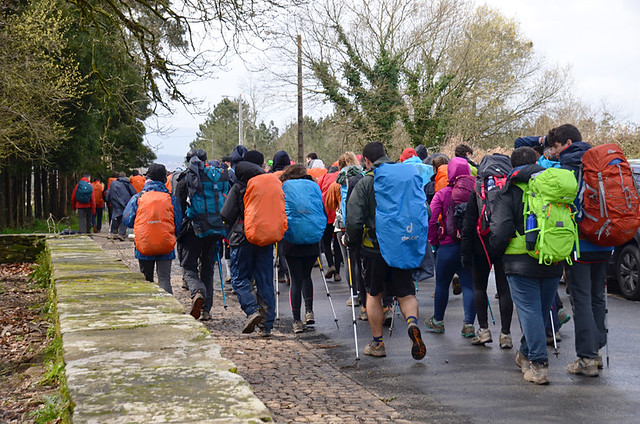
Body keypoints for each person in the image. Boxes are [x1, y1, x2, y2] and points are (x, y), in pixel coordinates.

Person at [345, 141, 426, 360]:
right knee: (406, 293)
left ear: (367, 161)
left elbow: (353, 219)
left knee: (374, 294)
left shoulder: (366, 182)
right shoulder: (405, 176)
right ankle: (412, 325)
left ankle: (377, 343)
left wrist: (351, 241)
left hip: (374, 249)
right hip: (401, 244)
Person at [489, 146, 563, 385]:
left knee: (530, 312)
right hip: (553, 256)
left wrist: (494, 254)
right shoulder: (552, 187)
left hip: (520, 260)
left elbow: (500, 231)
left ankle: (539, 365)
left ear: (513, 167)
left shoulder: (509, 191)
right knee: (540, 311)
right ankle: (525, 354)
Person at [547, 124, 613, 376]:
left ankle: (585, 359)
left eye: (555, 147)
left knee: (581, 297)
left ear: (567, 144)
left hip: (579, 244)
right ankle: (595, 351)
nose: (553, 153)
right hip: (606, 240)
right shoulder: (601, 162)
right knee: (598, 296)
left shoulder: (568, 167)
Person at [221, 150, 277, 337]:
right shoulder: (269, 183)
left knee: (238, 278)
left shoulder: (240, 184)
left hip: (242, 237)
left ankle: (252, 311)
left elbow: (227, 213)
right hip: (265, 237)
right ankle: (267, 325)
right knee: (265, 280)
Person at [461, 157, 513, 348]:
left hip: (481, 243)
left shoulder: (478, 186)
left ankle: (483, 330)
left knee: (479, 287)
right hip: (506, 243)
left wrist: (465, 252)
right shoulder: (511, 184)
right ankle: (505, 334)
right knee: (504, 289)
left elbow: (468, 221)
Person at [174, 149, 228, 321]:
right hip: (214, 228)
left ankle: (197, 291)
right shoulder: (216, 177)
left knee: (188, 266)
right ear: (206, 160)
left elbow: (179, 208)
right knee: (207, 267)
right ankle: (206, 310)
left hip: (192, 229)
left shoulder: (185, 179)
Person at [425, 157, 476, 337]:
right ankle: (469, 324)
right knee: (469, 285)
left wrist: (433, 240)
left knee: (442, 284)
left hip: (446, 246)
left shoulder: (442, 193)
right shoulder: (476, 192)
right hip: (468, 246)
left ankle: (438, 321)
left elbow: (431, 218)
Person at [123, 163, 182, 294]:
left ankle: (148, 308)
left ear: (148, 178)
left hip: (144, 245)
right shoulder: (171, 199)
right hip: (165, 245)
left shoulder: (138, 198)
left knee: (146, 280)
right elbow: (178, 224)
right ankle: (167, 310)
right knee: (164, 279)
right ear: (164, 179)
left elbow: (127, 220)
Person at [280, 164, 323, 333]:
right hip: (312, 237)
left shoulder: (285, 186)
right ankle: (309, 312)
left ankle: (297, 320)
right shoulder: (313, 186)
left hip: (292, 238)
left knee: (295, 279)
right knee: (307, 276)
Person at [106, 172, 136, 240]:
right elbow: (133, 192)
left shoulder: (113, 183)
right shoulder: (127, 183)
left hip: (115, 202)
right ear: (125, 177)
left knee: (115, 216)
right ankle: (121, 233)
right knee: (124, 217)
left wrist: (107, 200)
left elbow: (108, 193)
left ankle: (114, 232)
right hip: (125, 202)